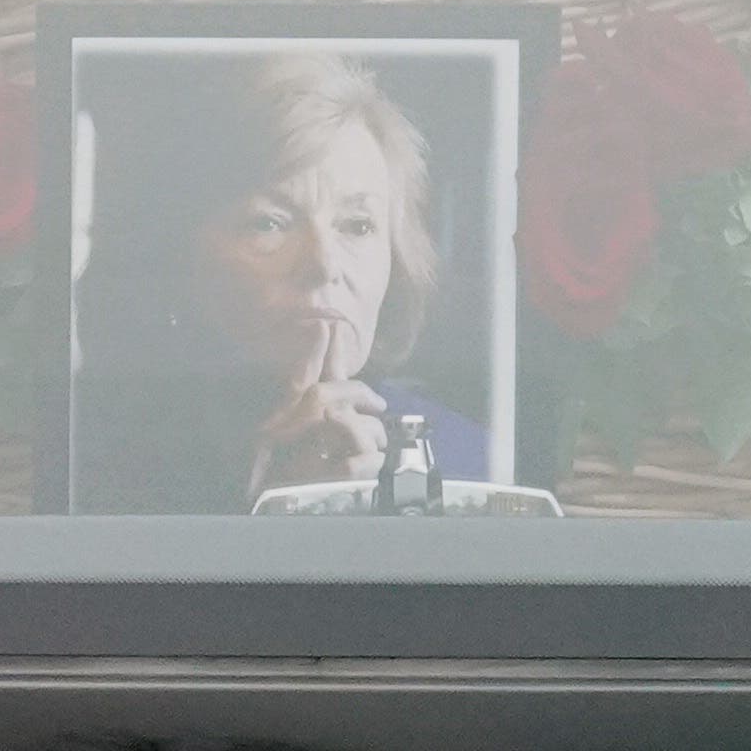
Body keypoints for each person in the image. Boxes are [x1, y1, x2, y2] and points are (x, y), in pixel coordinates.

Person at [74, 49, 489, 512]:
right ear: (183, 259)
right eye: (269, 223)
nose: (324, 264)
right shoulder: (102, 463)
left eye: (357, 225)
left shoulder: (475, 463)